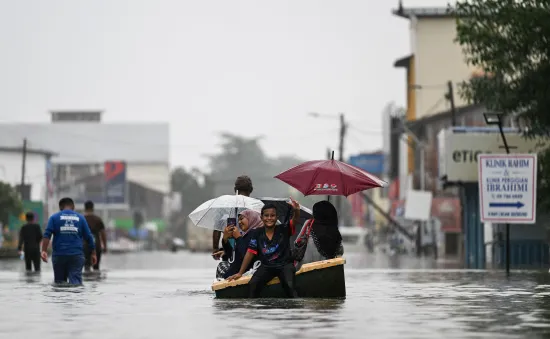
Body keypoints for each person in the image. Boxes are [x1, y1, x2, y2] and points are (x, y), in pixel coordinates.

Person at [228, 198, 300, 298]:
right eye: (266, 215)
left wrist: (296, 210)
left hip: (285, 265)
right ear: (261, 217)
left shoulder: (284, 229)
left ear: (276, 217)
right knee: (253, 284)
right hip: (267, 266)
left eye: (272, 215)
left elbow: (295, 220)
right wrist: (240, 273)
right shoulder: (257, 233)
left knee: (289, 285)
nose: (269, 218)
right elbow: (250, 252)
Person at [41, 197, 97, 285]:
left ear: (60, 207)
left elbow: (47, 234)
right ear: (73, 207)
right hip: (76, 255)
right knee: (75, 283)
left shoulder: (54, 218)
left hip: (59, 255)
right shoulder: (81, 218)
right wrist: (93, 253)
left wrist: (43, 250)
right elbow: (89, 237)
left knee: (59, 284)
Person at [293, 200, 344, 271]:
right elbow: (340, 252)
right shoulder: (335, 231)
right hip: (326, 271)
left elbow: (297, 242)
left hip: (305, 270)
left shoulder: (309, 224)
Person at [212, 175, 253, 260]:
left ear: (235, 190)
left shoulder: (225, 206)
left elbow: (217, 228)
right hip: (249, 250)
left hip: (230, 250)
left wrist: (215, 248)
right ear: (251, 190)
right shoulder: (255, 207)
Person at [216, 209, 263, 279]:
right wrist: (225, 239)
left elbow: (246, 255)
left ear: (251, 218)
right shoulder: (245, 234)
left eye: (241, 219)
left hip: (244, 272)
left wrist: (238, 238)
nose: (239, 222)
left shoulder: (255, 234)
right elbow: (230, 255)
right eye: (238, 220)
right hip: (237, 269)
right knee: (223, 264)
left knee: (221, 266)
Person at [82, 200, 107, 272]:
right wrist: (105, 246)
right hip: (96, 246)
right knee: (96, 267)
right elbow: (103, 234)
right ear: (93, 208)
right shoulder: (98, 220)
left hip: (84, 246)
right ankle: (95, 282)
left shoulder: (81, 219)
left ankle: (87, 281)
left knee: (86, 267)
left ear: (85, 208)